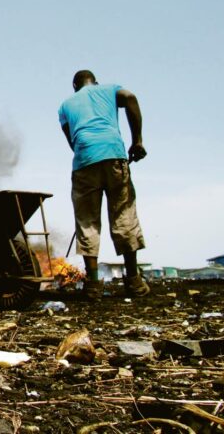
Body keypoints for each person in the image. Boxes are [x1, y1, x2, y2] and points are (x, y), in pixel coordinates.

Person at [58, 69, 149, 299]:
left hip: (84, 161)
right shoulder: (109, 89)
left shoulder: (65, 105)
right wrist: (137, 141)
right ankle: (134, 281)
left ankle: (93, 286)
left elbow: (71, 140)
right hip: (114, 155)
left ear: (74, 87)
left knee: (87, 221)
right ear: (95, 82)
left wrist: (87, 154)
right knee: (124, 214)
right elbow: (131, 99)